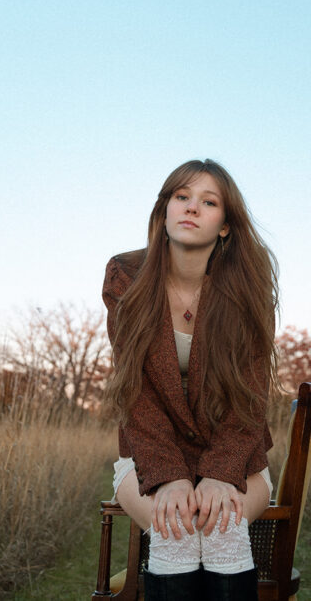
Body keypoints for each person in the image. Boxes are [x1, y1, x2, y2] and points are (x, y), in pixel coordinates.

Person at [101, 159, 279, 600]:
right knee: (175, 529)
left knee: (222, 530)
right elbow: (134, 392)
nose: (192, 208)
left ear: (225, 225)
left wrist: (221, 473)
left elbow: (251, 396)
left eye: (208, 201)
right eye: (181, 196)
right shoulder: (127, 277)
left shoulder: (248, 286)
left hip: (238, 459)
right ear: (164, 211)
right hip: (147, 457)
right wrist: (168, 476)